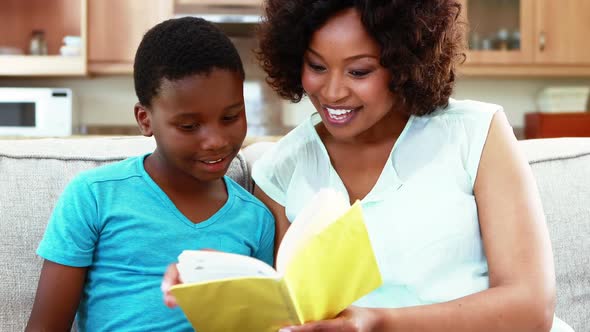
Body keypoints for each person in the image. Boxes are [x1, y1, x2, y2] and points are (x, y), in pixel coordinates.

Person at [249, 0, 573, 331]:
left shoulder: (477, 133)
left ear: (404, 63)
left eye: (359, 71)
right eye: (317, 67)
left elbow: (531, 307)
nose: (332, 92)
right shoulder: (280, 168)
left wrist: (377, 323)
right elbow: (288, 311)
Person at [26, 17, 274, 332]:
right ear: (145, 120)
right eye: (188, 126)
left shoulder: (256, 218)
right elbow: (45, 327)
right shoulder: (94, 196)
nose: (217, 140)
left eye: (231, 117)